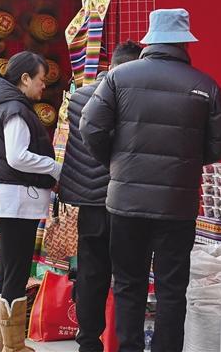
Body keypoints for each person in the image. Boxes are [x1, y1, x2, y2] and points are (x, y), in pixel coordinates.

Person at [80, 8, 221, 352]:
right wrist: (187, 162)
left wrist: (115, 161)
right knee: (172, 288)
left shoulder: (118, 78)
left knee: (128, 284)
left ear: (151, 39)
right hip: (177, 205)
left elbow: (90, 127)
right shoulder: (205, 85)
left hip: (126, 202)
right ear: (184, 43)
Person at [59, 40, 143, 352]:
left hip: (89, 200)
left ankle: (88, 342)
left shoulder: (80, 96)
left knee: (91, 273)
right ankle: (126, 343)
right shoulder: (135, 98)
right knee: (128, 275)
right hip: (125, 199)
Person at [0, 51, 59, 352]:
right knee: (16, 272)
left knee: (7, 271)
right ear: (25, 78)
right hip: (18, 201)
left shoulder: (0, 106)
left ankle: (4, 344)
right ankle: (14, 346)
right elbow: (17, 156)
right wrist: (55, 168)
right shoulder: (15, 109)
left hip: (10, 199)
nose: (43, 86)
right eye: (40, 79)